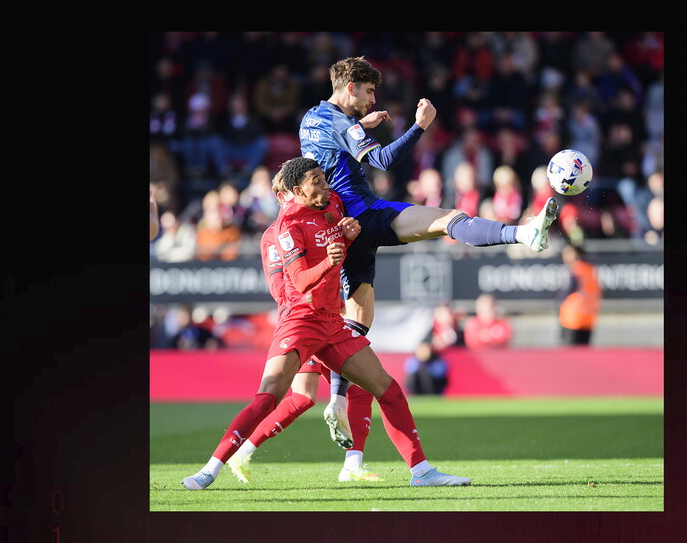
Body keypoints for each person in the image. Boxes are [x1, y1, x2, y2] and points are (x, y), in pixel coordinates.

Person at [298, 56, 559, 438]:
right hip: (365, 212)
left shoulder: (311, 118)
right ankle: (523, 233)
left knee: (358, 320)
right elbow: (384, 160)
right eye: (369, 92)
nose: (373, 100)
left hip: (340, 226)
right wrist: (420, 127)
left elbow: (331, 149)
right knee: (449, 219)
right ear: (350, 88)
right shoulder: (341, 121)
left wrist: (358, 124)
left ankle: (336, 400)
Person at [181, 157, 470, 489]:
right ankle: (211, 468)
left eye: (322, 178)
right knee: (270, 396)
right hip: (299, 322)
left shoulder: (333, 203)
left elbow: (337, 246)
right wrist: (332, 258)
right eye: (315, 181)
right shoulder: (287, 228)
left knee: (387, 389)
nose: (324, 185)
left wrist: (347, 240)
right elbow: (300, 281)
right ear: (295, 191)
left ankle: (421, 471)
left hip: (333, 322)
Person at [225, 166, 362, 484]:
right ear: (285, 195)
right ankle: (352, 458)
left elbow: (333, 249)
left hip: (325, 314)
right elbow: (280, 288)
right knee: (348, 386)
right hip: (304, 320)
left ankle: (244, 453)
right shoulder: (276, 236)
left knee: (303, 397)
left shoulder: (317, 216)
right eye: (288, 196)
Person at [558, 244, 602, 345]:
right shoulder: (590, 269)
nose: (565, 256)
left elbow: (567, 291)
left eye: (567, 253)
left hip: (572, 319)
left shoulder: (575, 271)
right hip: (588, 319)